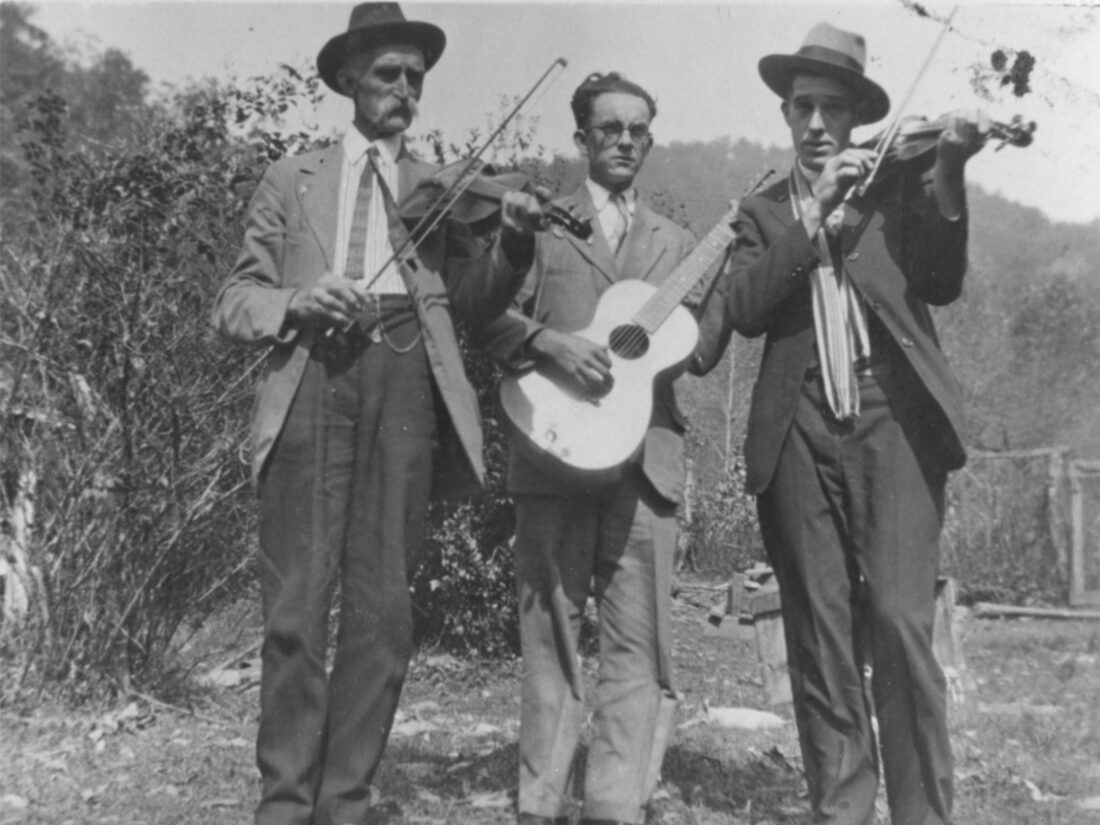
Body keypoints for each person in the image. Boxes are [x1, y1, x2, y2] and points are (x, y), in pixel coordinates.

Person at [211, 5, 546, 824]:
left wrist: (513, 246)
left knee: (383, 610)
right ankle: (286, 802)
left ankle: (346, 797)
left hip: (403, 384)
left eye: (415, 79)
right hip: (314, 381)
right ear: (350, 79)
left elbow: (473, 300)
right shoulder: (293, 179)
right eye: (389, 75)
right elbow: (234, 301)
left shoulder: (438, 190)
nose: (404, 90)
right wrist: (296, 299)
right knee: (295, 609)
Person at [700, 22, 990, 825]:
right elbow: (748, 309)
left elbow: (940, 278)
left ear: (858, 114)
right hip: (796, 428)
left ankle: (923, 814)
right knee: (819, 637)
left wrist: (951, 170)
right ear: (785, 112)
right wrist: (814, 213)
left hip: (889, 418)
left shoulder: (897, 190)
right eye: (803, 107)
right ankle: (841, 810)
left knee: (899, 619)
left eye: (833, 107)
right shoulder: (760, 209)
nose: (817, 123)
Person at [479, 71, 724, 825]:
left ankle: (616, 802)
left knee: (637, 644)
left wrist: (704, 302)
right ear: (581, 138)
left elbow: (707, 347)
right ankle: (540, 800)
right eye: (609, 128)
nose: (624, 140)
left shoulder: (680, 243)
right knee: (550, 634)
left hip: (645, 458)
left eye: (637, 130)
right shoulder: (541, 226)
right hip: (555, 450)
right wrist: (549, 344)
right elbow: (485, 317)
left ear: (651, 140)